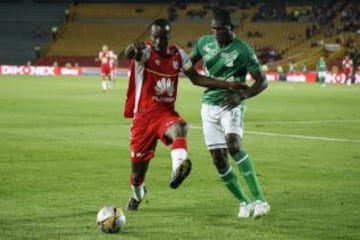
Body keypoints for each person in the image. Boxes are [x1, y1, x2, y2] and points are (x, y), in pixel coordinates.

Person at [123, 18, 247, 211]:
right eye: (155, 37)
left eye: (162, 37)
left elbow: (196, 78)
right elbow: (129, 54)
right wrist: (132, 47)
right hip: (144, 117)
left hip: (165, 114)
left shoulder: (179, 55)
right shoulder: (145, 52)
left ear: (168, 37)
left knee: (181, 127)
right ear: (151, 37)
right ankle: (138, 194)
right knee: (138, 173)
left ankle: (177, 168)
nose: (158, 41)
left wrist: (227, 84)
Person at [190, 8, 270, 218]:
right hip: (208, 106)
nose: (216, 33)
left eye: (221, 29)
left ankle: (260, 200)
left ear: (231, 28)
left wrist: (241, 96)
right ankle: (244, 202)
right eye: (214, 29)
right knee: (219, 159)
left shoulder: (243, 50)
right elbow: (191, 73)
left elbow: (262, 81)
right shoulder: (203, 43)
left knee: (234, 146)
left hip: (231, 104)